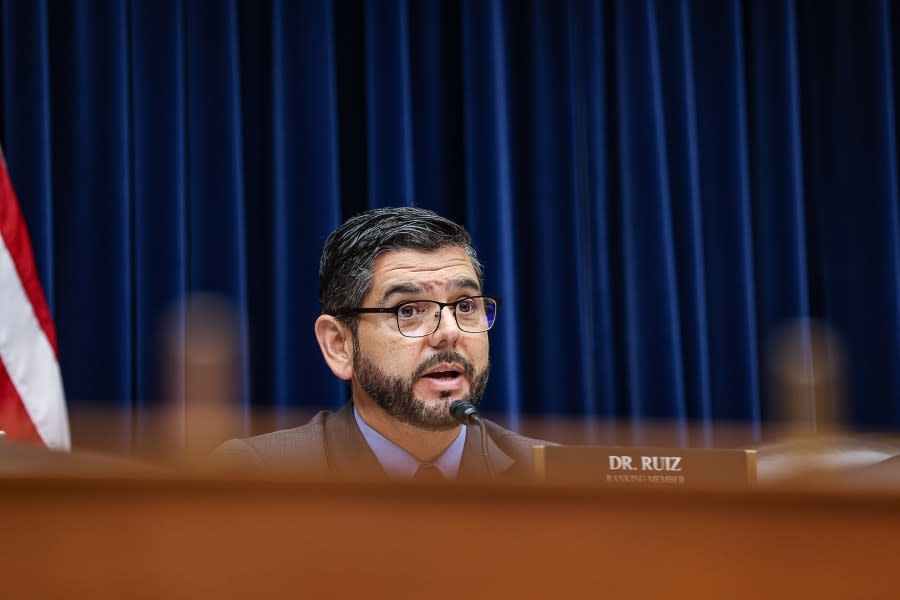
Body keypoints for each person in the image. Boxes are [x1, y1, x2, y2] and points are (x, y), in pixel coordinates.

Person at [216, 206, 549, 481]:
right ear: (339, 345)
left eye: (465, 306)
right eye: (408, 310)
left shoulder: (553, 477)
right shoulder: (259, 477)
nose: (449, 333)